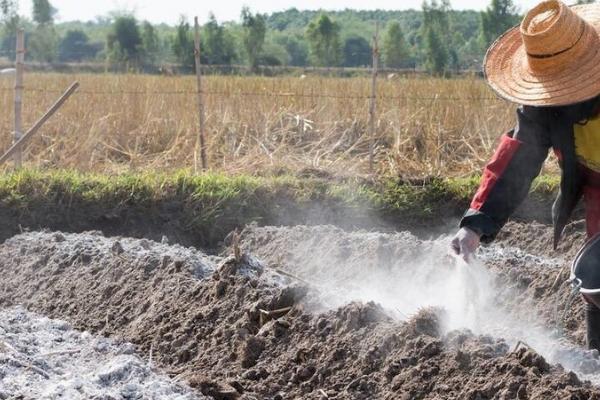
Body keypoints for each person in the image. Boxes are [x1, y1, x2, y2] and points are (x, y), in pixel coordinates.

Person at [450, 0, 600, 351]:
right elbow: (517, 159)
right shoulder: (547, 106)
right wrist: (475, 225)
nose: (564, 99)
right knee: (597, 279)